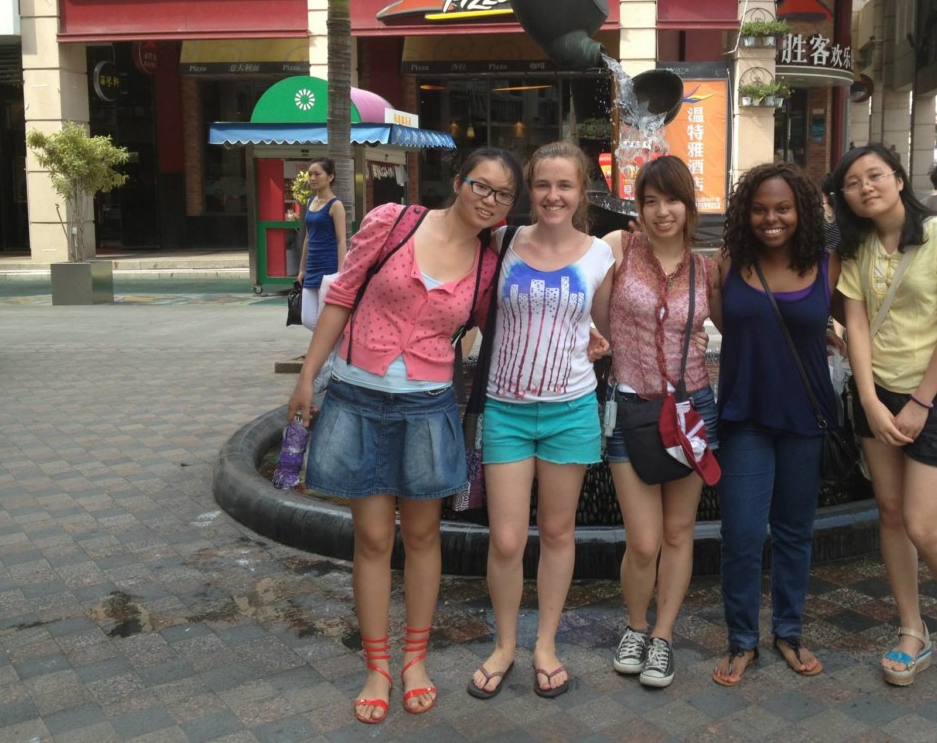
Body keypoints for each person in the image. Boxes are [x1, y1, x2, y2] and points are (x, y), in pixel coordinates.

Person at [287, 148, 522, 724]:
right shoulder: (393, 222)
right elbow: (341, 296)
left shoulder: (489, 264)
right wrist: (307, 376)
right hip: (356, 397)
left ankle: (414, 659)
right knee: (372, 538)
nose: (488, 200)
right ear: (459, 181)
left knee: (422, 535)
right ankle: (378, 666)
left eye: (502, 194)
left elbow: (502, 325)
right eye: (481, 185)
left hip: (427, 407)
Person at [833, 143, 937, 687]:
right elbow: (856, 325)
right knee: (891, 513)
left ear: (899, 179)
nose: (866, 187)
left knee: (923, 524)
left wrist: (922, 402)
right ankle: (911, 628)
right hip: (877, 391)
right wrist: (870, 400)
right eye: (853, 182)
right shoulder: (856, 248)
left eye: (875, 175)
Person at [467, 141, 614, 700]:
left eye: (565, 185)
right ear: (530, 188)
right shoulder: (502, 241)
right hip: (505, 409)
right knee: (506, 540)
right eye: (544, 185)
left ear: (581, 192)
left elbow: (603, 326)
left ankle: (546, 645)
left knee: (556, 532)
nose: (554, 196)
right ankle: (504, 644)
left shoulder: (599, 255)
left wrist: (598, 340)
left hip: (570, 410)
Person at [708, 162, 839, 686]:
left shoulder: (828, 264)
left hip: (805, 415)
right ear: (746, 213)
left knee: (793, 532)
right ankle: (742, 640)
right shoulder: (728, 261)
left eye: (783, 208)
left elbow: (858, 324)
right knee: (741, 533)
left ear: (801, 210)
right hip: (745, 415)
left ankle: (789, 632)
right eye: (760, 209)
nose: (771, 218)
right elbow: (722, 322)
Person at [599, 156, 717, 689]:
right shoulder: (619, 249)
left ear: (688, 205)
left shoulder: (707, 269)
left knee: (677, 531)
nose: (662, 211)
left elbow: (740, 322)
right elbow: (584, 304)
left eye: (672, 200)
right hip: (631, 409)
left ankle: (663, 635)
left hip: (692, 410)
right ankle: (635, 626)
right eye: (650, 201)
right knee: (644, 541)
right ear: (639, 207)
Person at [296, 158, 347, 330]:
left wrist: (340, 272)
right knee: (307, 319)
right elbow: (308, 237)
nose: (312, 178)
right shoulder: (310, 202)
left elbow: (341, 240)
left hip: (329, 266)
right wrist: (302, 269)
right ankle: (333, 342)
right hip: (312, 267)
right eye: (310, 174)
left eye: (317, 174)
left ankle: (330, 344)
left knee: (326, 318)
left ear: (330, 177)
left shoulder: (336, 205)